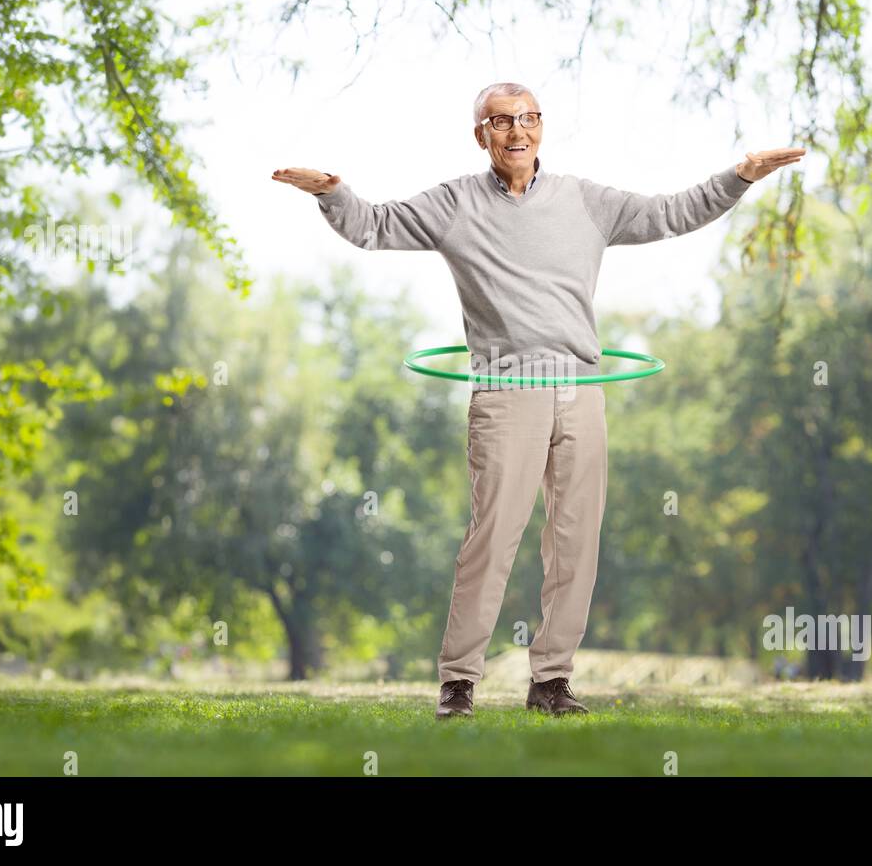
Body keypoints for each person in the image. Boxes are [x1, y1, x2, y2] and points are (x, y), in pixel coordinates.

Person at [273, 81, 803, 719]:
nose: (516, 132)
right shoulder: (453, 204)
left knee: (576, 542)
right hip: (505, 390)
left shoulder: (585, 200)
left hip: (580, 390)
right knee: (492, 538)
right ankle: (459, 682)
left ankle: (551, 682)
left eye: (527, 119)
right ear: (481, 136)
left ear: (542, 127)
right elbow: (375, 226)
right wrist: (333, 192)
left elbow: (671, 213)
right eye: (500, 122)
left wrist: (740, 175)